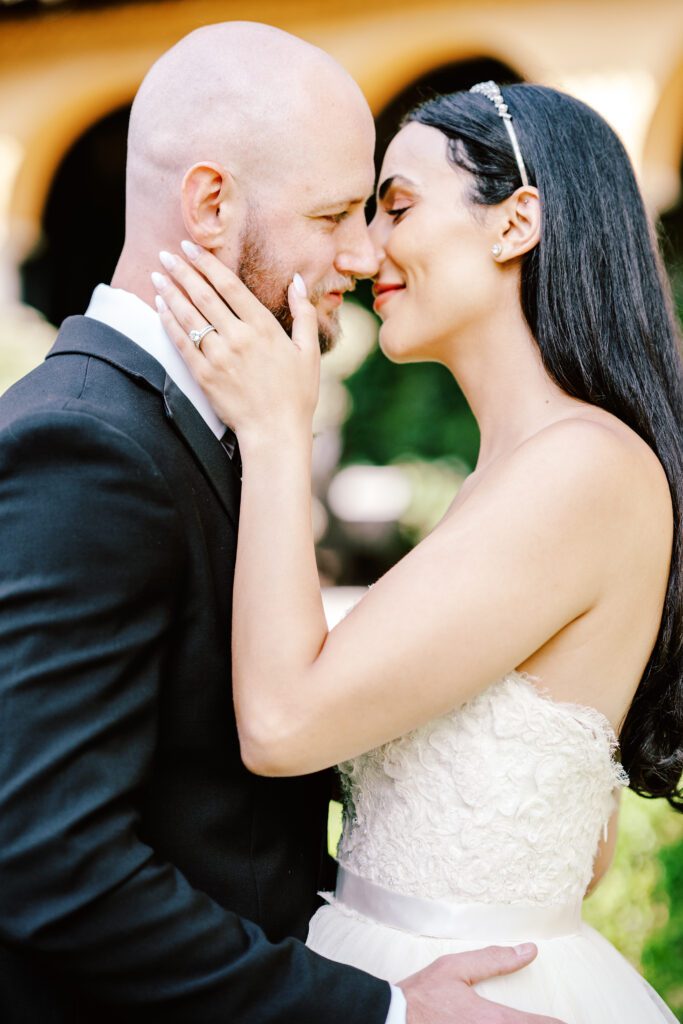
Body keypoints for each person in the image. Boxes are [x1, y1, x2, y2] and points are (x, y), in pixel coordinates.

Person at [0, 23, 558, 1024]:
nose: (362, 251)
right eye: (336, 213)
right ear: (210, 204)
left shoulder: (198, 424)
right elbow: (53, 865)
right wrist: (379, 1012)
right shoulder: (86, 448)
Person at [153, 80, 683, 1022]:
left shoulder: (582, 469)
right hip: (404, 966)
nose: (363, 251)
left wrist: (279, 434)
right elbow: (584, 841)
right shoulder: (518, 473)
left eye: (395, 206)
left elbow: (279, 725)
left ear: (514, 221)